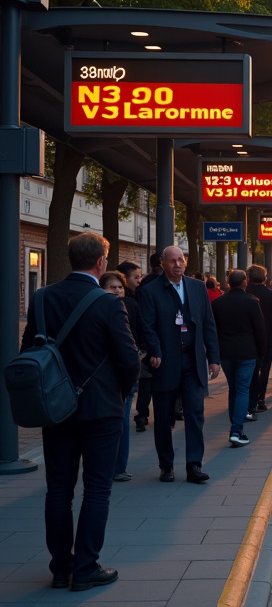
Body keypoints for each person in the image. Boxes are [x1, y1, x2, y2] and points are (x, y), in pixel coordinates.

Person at [21, 233, 139, 592]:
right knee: (97, 488)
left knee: (58, 489)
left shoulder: (41, 298)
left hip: (55, 407)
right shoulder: (107, 303)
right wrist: (121, 392)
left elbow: (29, 350)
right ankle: (86, 566)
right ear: (101, 263)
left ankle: (61, 567)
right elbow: (128, 358)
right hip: (100, 408)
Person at [137, 245, 221, 485]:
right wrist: (154, 350)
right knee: (163, 417)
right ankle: (166, 465)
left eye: (180, 260)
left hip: (192, 360)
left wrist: (213, 358)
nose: (177, 265)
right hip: (165, 361)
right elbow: (147, 326)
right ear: (162, 264)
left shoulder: (196, 287)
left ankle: (194, 464)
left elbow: (208, 324)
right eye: (172, 261)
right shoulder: (150, 291)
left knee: (195, 413)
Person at [212, 269, 267, 448]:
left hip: (226, 353)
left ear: (228, 283)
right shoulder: (252, 302)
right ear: (245, 282)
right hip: (247, 352)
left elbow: (214, 330)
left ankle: (235, 427)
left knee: (233, 389)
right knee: (243, 390)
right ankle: (236, 430)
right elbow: (260, 330)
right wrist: (262, 352)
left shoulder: (218, 303)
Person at [98, 271, 141, 483]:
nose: (116, 291)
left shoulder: (131, 307)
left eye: (120, 287)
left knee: (122, 421)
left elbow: (141, 333)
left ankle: (118, 467)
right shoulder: (99, 307)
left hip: (124, 373)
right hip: (103, 375)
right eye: (111, 287)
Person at [118, 261, 153, 433]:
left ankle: (141, 415)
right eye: (136, 277)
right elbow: (142, 329)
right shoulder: (131, 303)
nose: (139, 281)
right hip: (133, 355)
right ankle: (141, 414)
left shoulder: (136, 299)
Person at [246, 265, 272, 413]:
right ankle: (261, 397)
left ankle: (250, 398)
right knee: (265, 368)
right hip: (267, 336)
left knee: (250, 369)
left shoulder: (245, 292)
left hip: (247, 338)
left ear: (248, 278)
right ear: (265, 278)